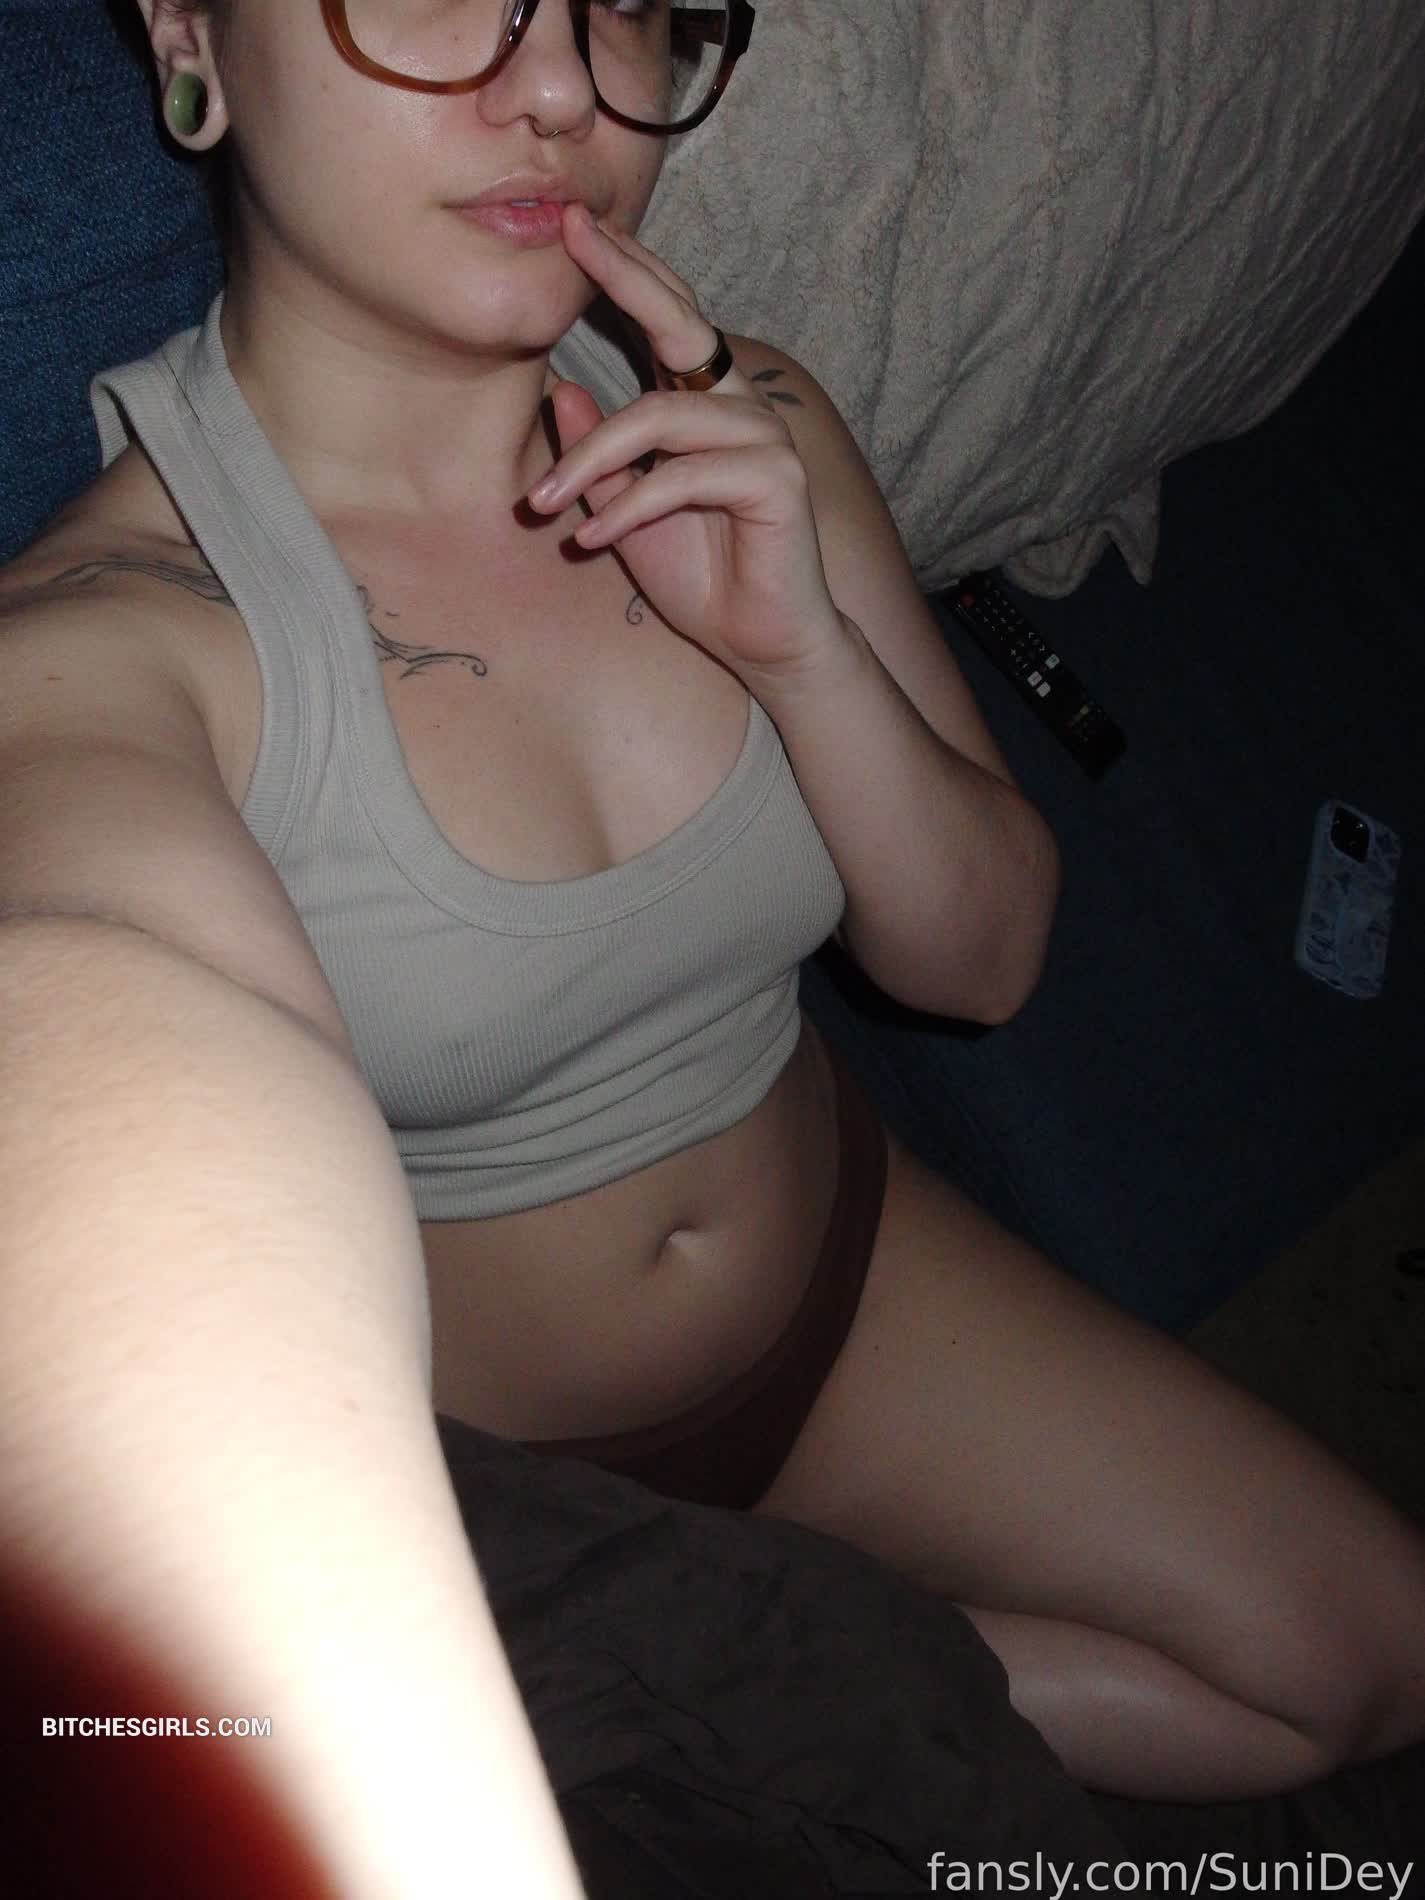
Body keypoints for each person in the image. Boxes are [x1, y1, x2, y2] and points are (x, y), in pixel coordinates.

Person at [2, 0, 1423, 1888]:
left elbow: (982, 963)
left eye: (626, 6)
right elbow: (84, 1003)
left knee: (1357, 1662)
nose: (560, 87)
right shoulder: (96, 656)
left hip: (849, 1286)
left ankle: (757, 1658)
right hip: (520, 1483)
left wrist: (800, 652)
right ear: (191, 29)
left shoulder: (751, 416)